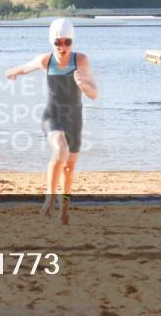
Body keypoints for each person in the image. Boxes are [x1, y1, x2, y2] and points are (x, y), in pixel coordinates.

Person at [5, 18, 97, 225]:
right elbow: (25, 67)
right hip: (52, 116)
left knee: (69, 167)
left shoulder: (81, 60)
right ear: (51, 42)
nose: (62, 46)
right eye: (58, 42)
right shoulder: (45, 60)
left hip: (75, 119)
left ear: (72, 42)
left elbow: (94, 94)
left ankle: (64, 208)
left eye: (67, 42)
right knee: (60, 149)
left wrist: (83, 86)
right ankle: (49, 197)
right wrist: (10, 73)